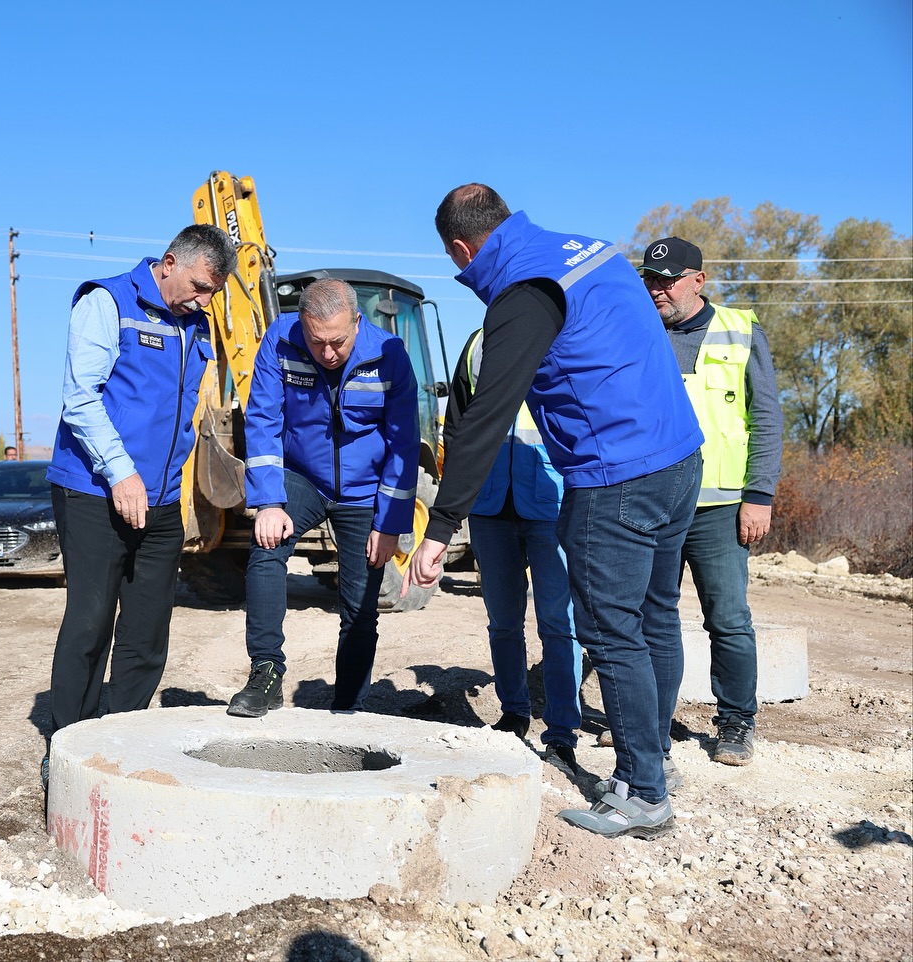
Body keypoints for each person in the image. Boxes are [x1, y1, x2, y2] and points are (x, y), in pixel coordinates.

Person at [406, 184, 704, 839]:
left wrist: (441, 526)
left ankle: (644, 794)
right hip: (679, 459)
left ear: (461, 249)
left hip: (616, 477)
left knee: (612, 631)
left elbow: (485, 417)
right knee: (655, 617)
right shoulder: (589, 251)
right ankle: (654, 761)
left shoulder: (524, 291)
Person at [44, 225, 237, 781]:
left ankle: (119, 741)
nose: (204, 301)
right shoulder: (107, 303)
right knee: (90, 622)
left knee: (148, 632)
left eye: (213, 293)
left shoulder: (195, 322)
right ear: (169, 263)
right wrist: (121, 472)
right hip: (93, 489)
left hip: (161, 499)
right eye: (199, 286)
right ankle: (69, 751)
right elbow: (80, 399)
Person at [227, 278, 419, 717]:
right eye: (317, 342)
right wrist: (269, 502)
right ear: (302, 324)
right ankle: (266, 674)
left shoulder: (389, 355)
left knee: (360, 605)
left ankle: (349, 702)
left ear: (357, 321)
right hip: (303, 478)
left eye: (338, 342)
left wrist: (390, 524)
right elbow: (263, 419)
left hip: (365, 490)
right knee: (267, 546)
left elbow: (404, 444)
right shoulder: (280, 340)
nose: (328, 353)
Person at [639, 237, 783, 766]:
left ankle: (736, 723)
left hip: (719, 506)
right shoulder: (637, 332)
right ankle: (648, 724)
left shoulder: (740, 331)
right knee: (647, 618)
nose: (657, 289)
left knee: (728, 619)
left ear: (698, 280)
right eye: (650, 280)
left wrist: (759, 496)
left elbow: (766, 417)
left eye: (667, 280)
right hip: (652, 500)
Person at [450, 327, 581, 767]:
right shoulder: (478, 343)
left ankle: (561, 730)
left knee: (558, 623)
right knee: (503, 621)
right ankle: (514, 713)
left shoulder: (566, 335)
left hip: (552, 500)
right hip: (489, 503)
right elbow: (458, 425)